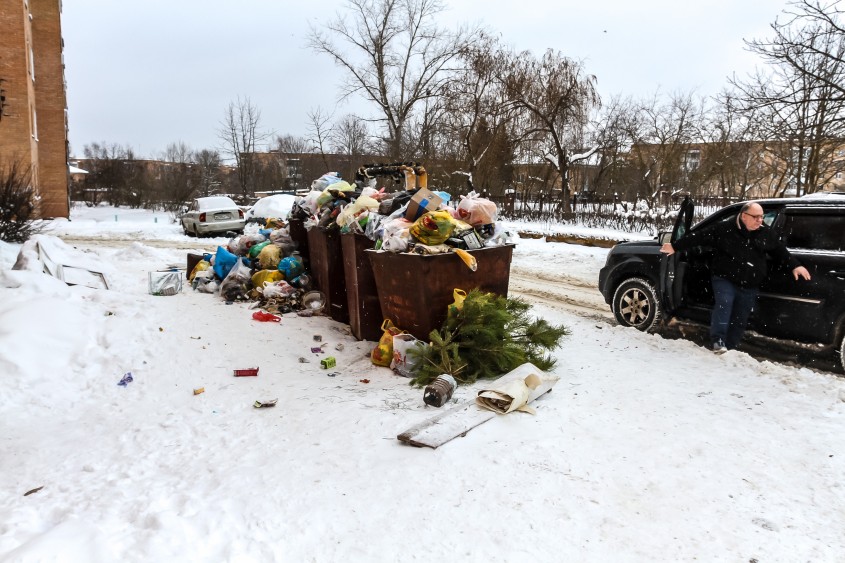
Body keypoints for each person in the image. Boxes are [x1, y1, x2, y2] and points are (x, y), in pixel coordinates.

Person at [660, 201, 811, 354]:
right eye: (756, 217)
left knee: (741, 315)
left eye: (762, 217)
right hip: (725, 277)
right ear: (744, 216)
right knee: (724, 304)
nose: (760, 220)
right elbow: (699, 237)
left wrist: (795, 265)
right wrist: (675, 246)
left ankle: (731, 346)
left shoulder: (765, 233)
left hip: (750, 282)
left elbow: (780, 251)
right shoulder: (724, 229)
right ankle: (718, 340)